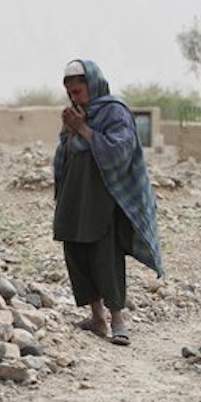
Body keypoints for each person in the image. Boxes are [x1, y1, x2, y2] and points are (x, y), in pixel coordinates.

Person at [52, 59, 163, 346]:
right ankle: (97, 317)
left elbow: (120, 151)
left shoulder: (115, 111)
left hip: (103, 196)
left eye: (78, 91)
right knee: (75, 252)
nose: (74, 98)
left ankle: (118, 321)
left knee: (106, 255)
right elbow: (66, 151)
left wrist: (83, 129)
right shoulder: (77, 113)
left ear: (93, 84)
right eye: (70, 93)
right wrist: (71, 130)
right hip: (75, 195)